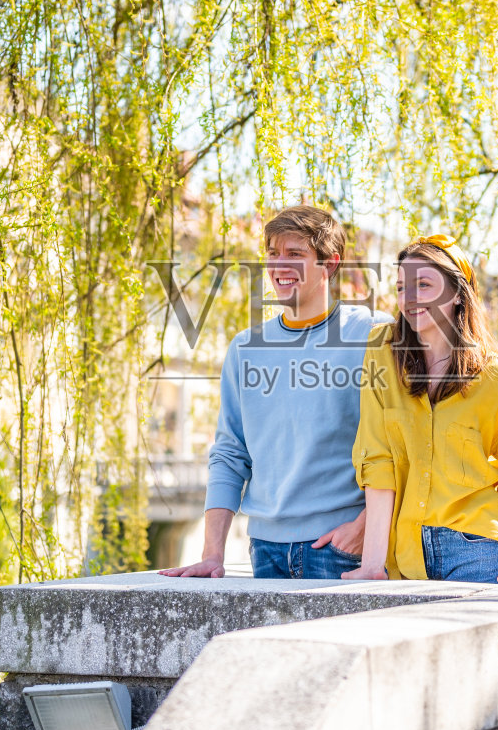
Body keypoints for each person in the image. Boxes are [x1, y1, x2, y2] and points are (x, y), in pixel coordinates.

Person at [159, 205, 386, 580]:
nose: (279, 266)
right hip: (264, 550)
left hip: (340, 549)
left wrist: (365, 527)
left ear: (329, 264)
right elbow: (231, 452)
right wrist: (212, 553)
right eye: (272, 253)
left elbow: (402, 443)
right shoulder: (245, 347)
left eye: (295, 255)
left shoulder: (371, 333)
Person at [342, 235, 498, 585]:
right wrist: (373, 564)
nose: (409, 299)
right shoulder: (381, 352)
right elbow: (378, 462)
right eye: (401, 287)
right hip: (407, 555)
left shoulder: (495, 376)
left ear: (456, 294)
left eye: (423, 285)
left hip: (478, 547)